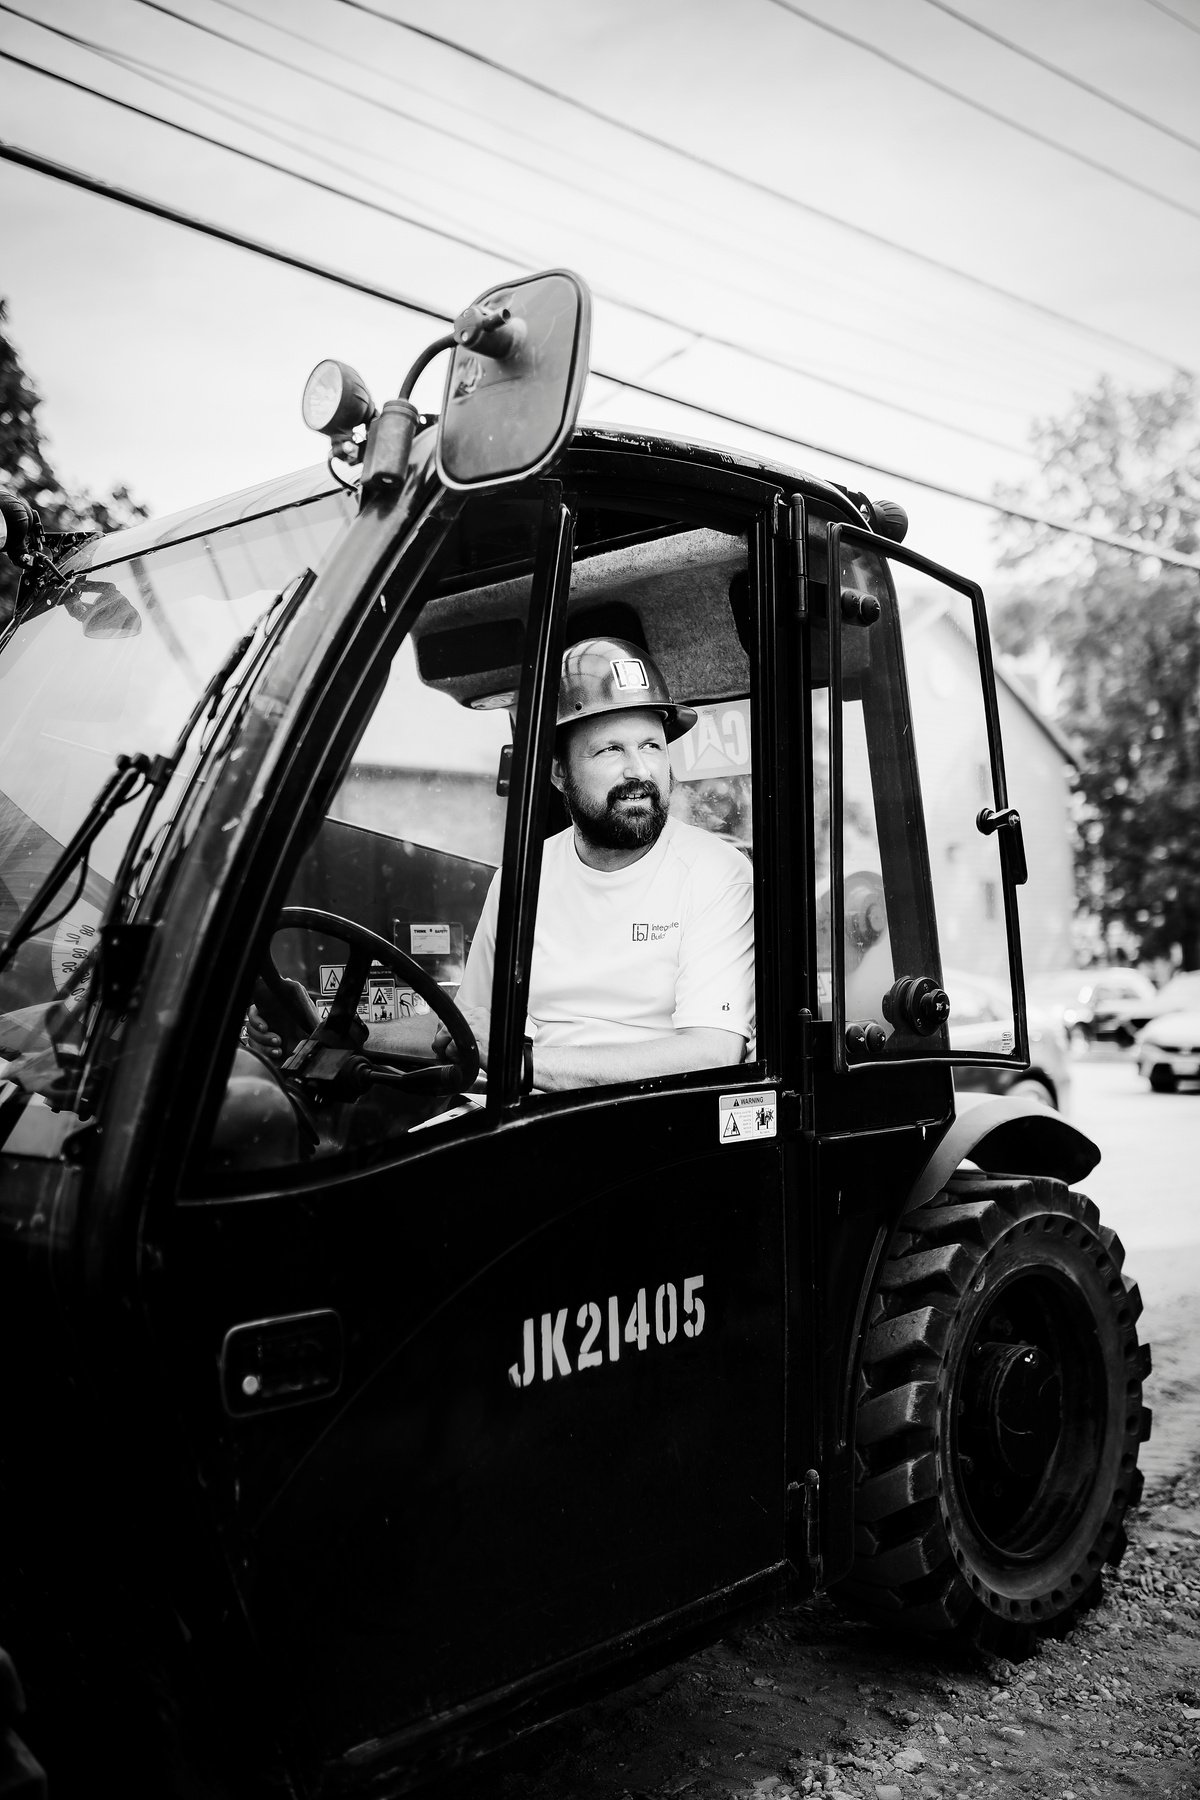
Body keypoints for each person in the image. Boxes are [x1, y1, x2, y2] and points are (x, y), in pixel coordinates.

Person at [432, 637, 754, 1093]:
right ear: (559, 772)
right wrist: (353, 1035)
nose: (639, 771)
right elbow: (469, 1026)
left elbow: (711, 1054)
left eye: (651, 746)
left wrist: (525, 1066)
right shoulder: (523, 879)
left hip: (660, 1120)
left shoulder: (716, 875)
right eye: (611, 750)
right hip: (531, 1110)